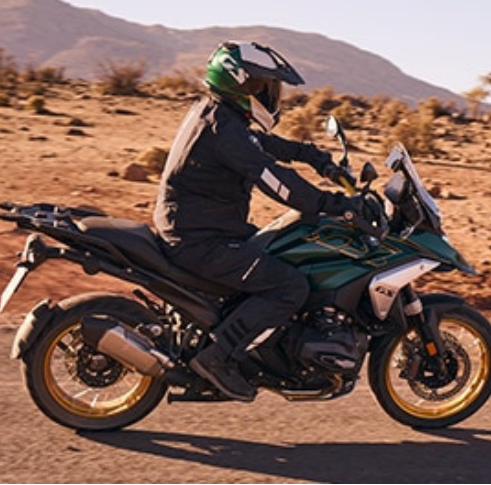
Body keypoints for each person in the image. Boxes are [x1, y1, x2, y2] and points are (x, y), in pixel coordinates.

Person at [153, 41, 357, 401]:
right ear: (241, 83)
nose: (271, 94)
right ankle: (217, 358)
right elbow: (275, 180)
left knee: (283, 250)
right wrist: (337, 205)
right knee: (289, 286)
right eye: (264, 85)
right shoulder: (224, 128)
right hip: (200, 240)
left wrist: (315, 157)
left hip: (203, 227)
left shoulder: (219, 115)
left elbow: (263, 145)